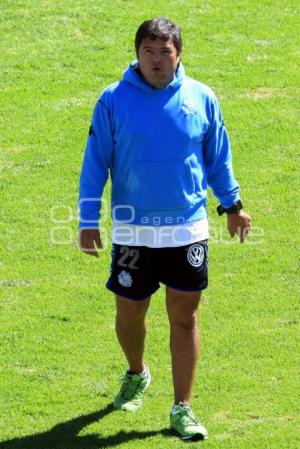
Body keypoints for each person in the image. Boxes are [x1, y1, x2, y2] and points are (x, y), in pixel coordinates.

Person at [78, 17, 251, 441]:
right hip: (133, 232)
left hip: (186, 230)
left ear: (179, 55)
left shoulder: (201, 98)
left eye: (165, 52)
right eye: (148, 52)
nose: (156, 60)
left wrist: (233, 205)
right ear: (137, 55)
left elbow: (217, 156)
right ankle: (137, 372)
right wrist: (87, 219)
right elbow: (95, 161)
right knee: (129, 313)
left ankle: (183, 407)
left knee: (184, 315)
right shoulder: (113, 100)